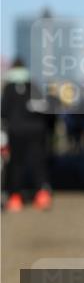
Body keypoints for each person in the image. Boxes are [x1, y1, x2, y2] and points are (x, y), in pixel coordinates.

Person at [1, 60, 52, 211]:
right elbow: (45, 109)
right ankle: (42, 195)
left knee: (16, 164)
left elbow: (3, 111)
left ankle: (15, 198)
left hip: (16, 131)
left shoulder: (9, 87)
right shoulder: (33, 85)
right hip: (36, 131)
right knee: (38, 162)